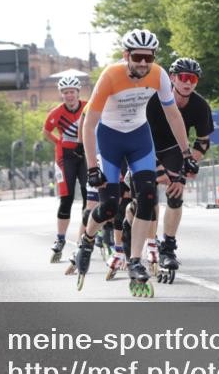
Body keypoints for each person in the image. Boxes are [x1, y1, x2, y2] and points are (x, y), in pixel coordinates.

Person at [75, 29, 197, 297]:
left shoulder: (159, 74)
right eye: (138, 57)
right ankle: (87, 239)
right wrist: (92, 167)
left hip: (140, 136)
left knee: (148, 197)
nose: (143, 63)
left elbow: (173, 115)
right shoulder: (110, 75)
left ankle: (134, 261)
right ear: (126, 55)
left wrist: (187, 153)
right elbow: (89, 124)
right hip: (109, 138)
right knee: (109, 207)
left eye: (149, 57)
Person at [139, 57, 213, 283]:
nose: (188, 83)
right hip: (143, 147)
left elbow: (202, 142)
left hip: (174, 150)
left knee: (176, 193)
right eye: (183, 78)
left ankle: (168, 247)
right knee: (143, 198)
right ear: (172, 78)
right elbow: (140, 136)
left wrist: (186, 169)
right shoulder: (153, 99)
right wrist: (156, 167)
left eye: (193, 79)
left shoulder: (200, 106)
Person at [44, 75, 88, 263]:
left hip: (85, 154)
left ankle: (88, 236)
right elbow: (46, 132)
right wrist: (59, 143)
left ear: (78, 93)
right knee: (66, 198)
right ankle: (60, 239)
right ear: (62, 95)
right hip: (65, 158)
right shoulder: (56, 113)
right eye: (65, 93)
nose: (69, 96)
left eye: (72, 92)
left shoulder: (88, 106)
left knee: (90, 196)